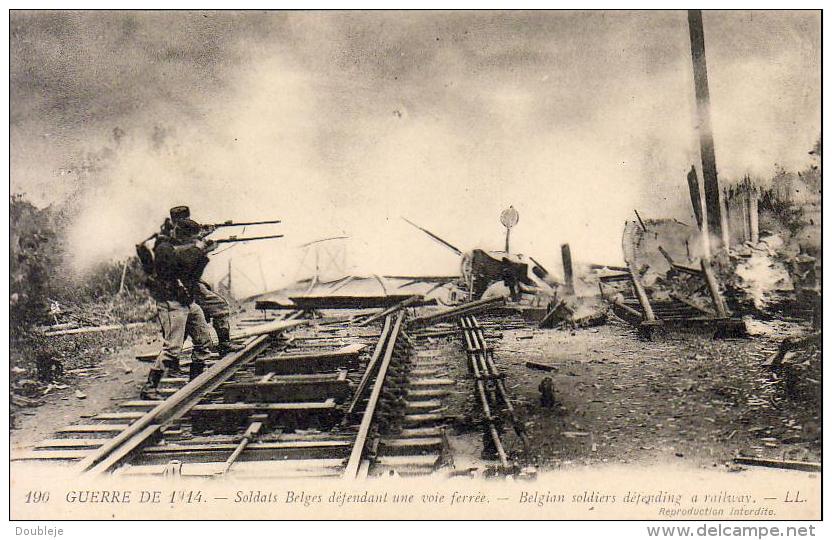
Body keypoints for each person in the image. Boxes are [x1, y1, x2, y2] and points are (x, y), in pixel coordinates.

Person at [138, 224, 216, 400]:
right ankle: (150, 387)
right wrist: (198, 251)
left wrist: (203, 254)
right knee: (173, 348)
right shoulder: (164, 249)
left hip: (187, 301)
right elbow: (175, 270)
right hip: (171, 302)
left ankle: (195, 382)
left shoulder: (183, 249)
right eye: (193, 238)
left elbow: (193, 275)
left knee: (203, 341)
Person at [165, 206, 244, 355]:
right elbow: (188, 251)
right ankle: (224, 344)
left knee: (188, 325)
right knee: (218, 307)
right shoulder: (174, 238)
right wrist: (203, 245)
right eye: (184, 219)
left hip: (184, 285)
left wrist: (204, 235)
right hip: (185, 285)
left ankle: (171, 363)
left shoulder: (175, 233)